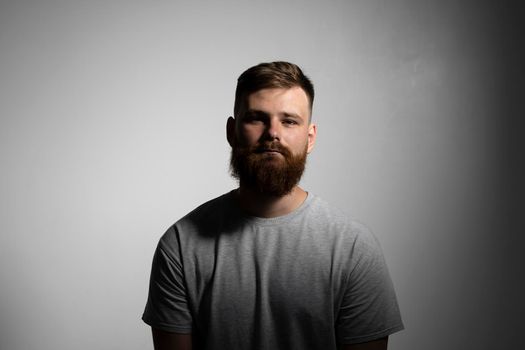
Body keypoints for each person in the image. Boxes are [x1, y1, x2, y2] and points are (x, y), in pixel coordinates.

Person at [142, 61, 404, 350]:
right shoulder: (180, 245)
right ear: (231, 131)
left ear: (310, 137)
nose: (272, 133)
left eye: (289, 121)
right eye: (256, 118)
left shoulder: (353, 249)